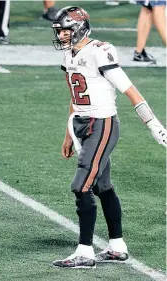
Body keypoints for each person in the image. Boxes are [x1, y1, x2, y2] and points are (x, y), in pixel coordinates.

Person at [50, 6, 167, 268]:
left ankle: (85, 252)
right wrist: (68, 136)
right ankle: (117, 246)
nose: (62, 36)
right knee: (102, 187)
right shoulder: (70, 53)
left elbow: (130, 91)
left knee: (81, 186)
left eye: (66, 30)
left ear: (79, 28)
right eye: (60, 32)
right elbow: (74, 97)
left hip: (101, 124)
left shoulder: (99, 51)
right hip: (81, 123)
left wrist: (154, 125)